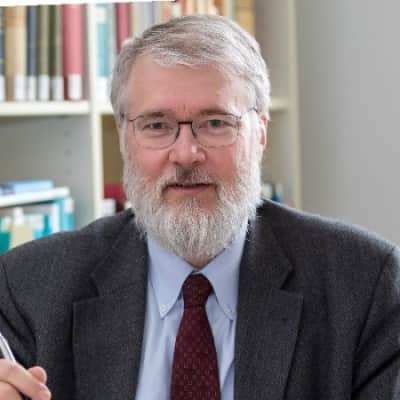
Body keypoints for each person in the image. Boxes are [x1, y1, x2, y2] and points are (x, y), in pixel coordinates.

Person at [0, 14, 399, 400]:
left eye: (215, 123)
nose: (186, 154)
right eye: (157, 125)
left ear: (260, 132)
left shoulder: (364, 284)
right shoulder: (30, 287)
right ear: (123, 137)